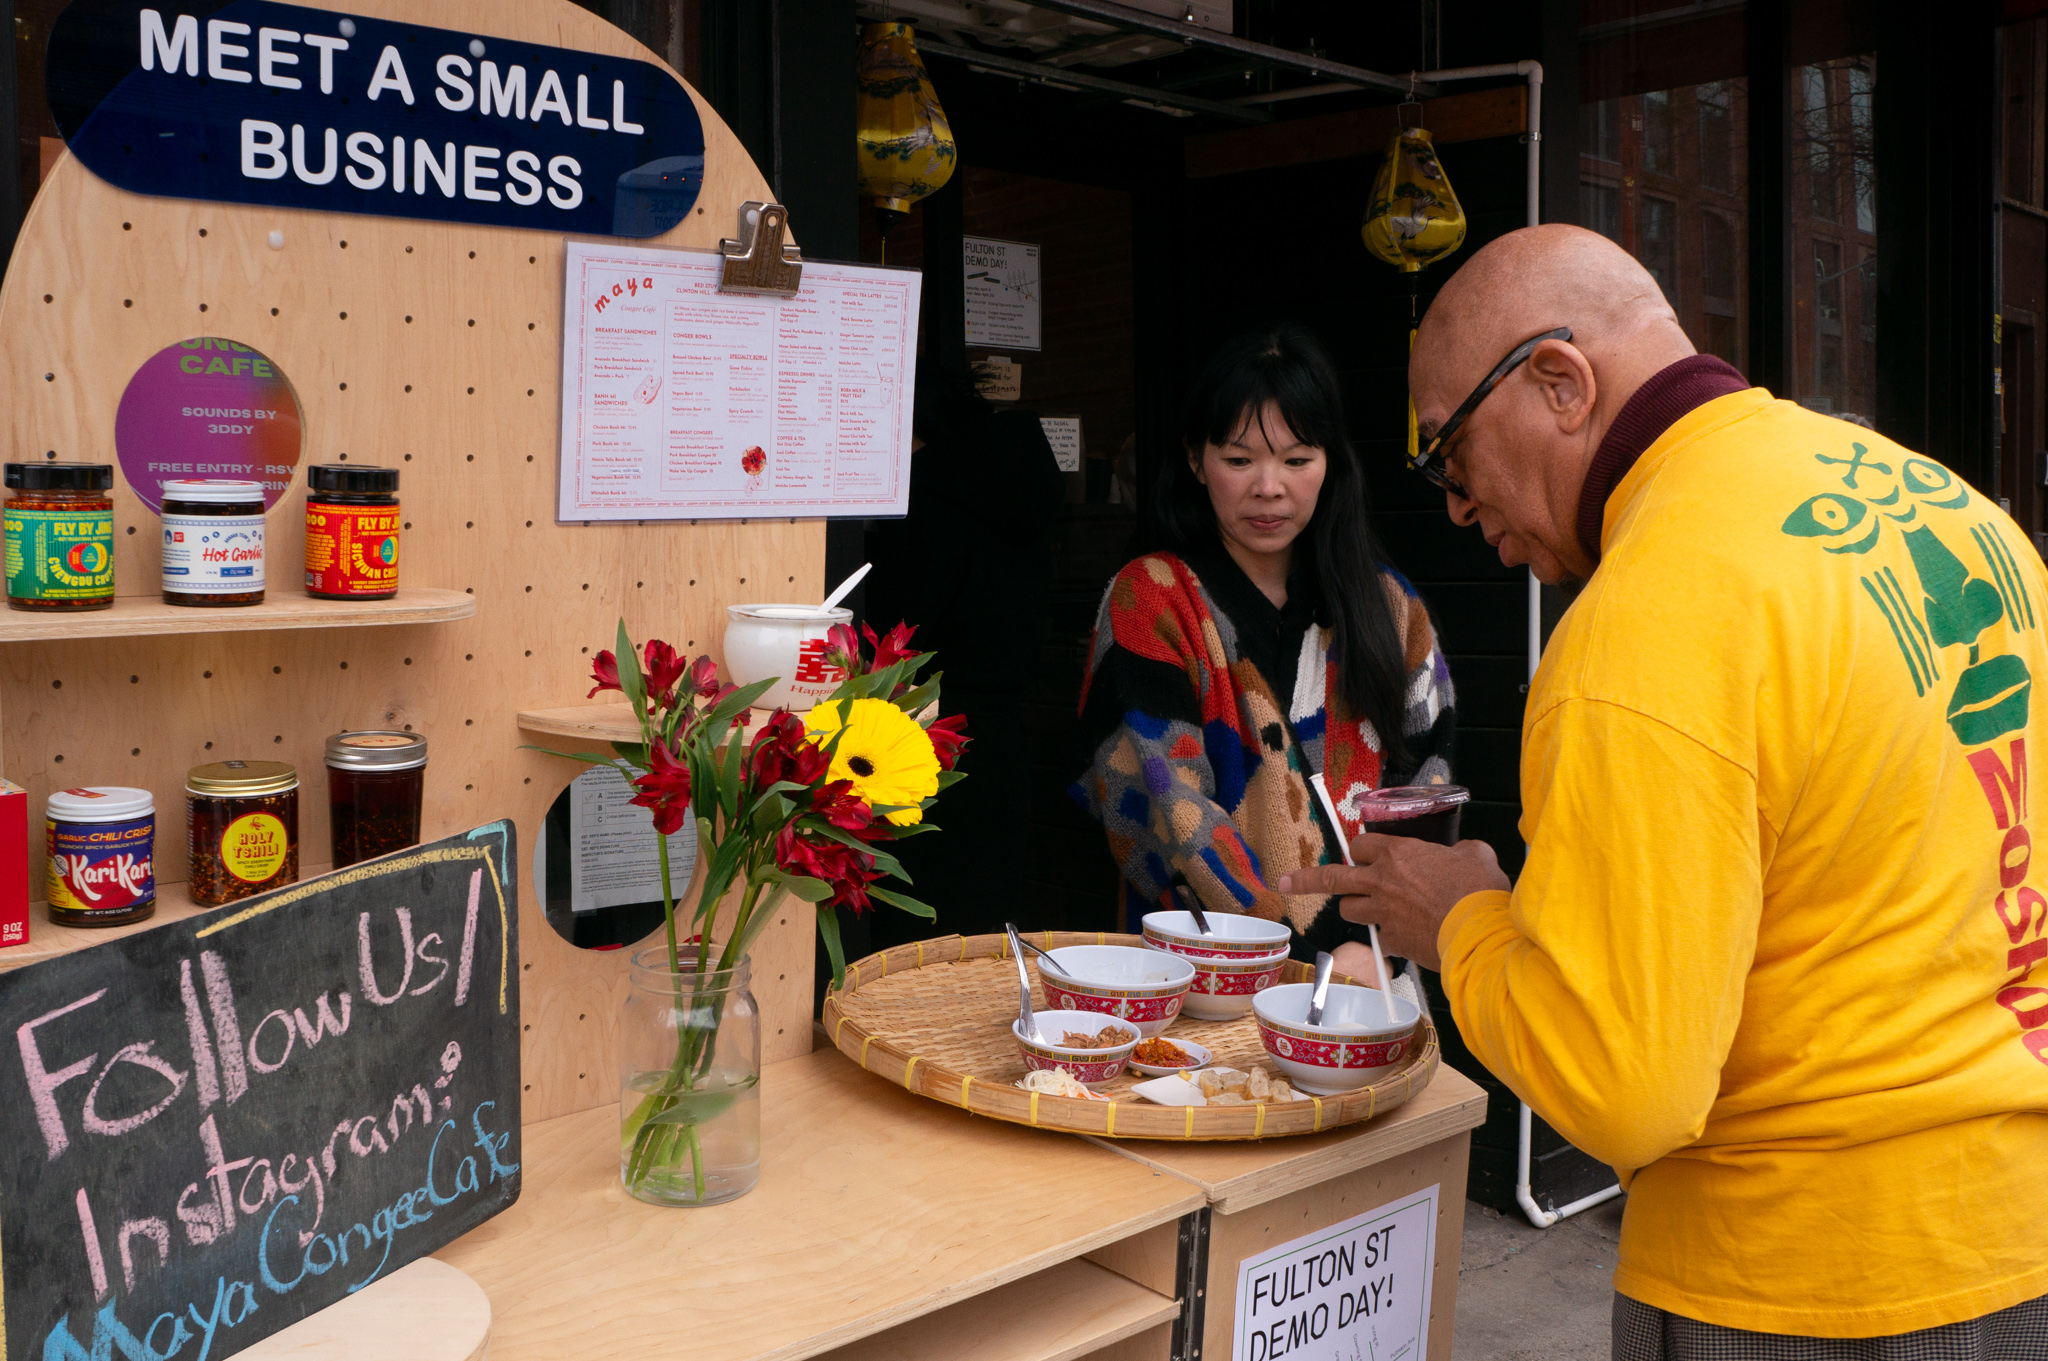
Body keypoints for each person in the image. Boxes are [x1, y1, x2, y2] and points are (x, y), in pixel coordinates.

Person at [1280, 225, 2048, 1357]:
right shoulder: (1952, 509)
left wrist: (1463, 921)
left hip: (1797, 1279)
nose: (1452, 503)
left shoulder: (1640, 626)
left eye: (1449, 452)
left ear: (1558, 380)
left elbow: (1621, 1086)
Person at [1073, 324, 1456, 977]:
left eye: (1297, 459)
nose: (1269, 486)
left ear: (1331, 462)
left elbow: (1427, 789)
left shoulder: (1390, 606)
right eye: (1239, 458)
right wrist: (1310, 956)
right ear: (1197, 460)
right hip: (1199, 974)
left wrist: (1385, 943)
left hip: (1374, 976)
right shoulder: (1151, 601)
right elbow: (1169, 816)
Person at [862, 356, 1064, 946]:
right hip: (1006, 729)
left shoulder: (928, 503)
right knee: (982, 924)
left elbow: (897, 630)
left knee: (915, 928)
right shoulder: (1017, 487)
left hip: (927, 734)